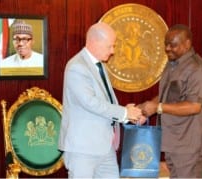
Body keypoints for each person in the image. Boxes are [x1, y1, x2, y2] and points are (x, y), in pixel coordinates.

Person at [58, 22, 145, 178]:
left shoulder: (99, 65)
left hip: (105, 147)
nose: (113, 51)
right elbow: (90, 103)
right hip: (83, 149)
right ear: (95, 42)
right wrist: (124, 112)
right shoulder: (77, 67)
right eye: (110, 46)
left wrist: (129, 114)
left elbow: (104, 102)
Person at [139, 24, 202, 178]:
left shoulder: (198, 69)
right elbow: (166, 95)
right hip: (175, 140)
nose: (167, 48)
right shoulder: (172, 63)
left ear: (187, 44)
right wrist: (146, 107)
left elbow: (194, 106)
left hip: (190, 142)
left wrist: (157, 108)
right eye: (165, 44)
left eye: (172, 45)